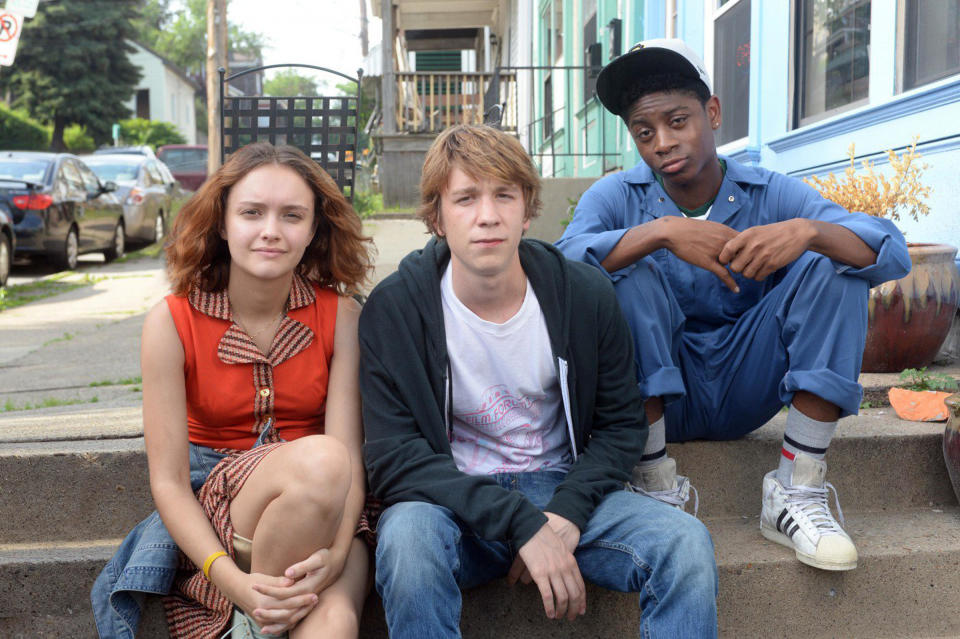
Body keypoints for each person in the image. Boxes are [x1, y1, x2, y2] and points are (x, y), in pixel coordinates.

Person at [557, 39, 911, 572]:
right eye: (644, 132)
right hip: (651, 398)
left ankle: (796, 490)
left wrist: (807, 230)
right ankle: (654, 488)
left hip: (748, 382)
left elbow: (889, 251)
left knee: (831, 259)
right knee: (623, 270)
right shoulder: (615, 197)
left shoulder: (767, 192)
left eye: (678, 121)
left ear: (713, 112)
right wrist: (659, 232)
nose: (662, 143)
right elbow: (557, 271)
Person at [359, 124, 718, 638]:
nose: (487, 216)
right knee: (407, 543)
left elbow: (620, 427)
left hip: (562, 486)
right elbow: (393, 459)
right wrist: (520, 523)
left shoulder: (584, 294)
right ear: (436, 217)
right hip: (453, 503)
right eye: (465, 199)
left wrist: (566, 514)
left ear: (527, 209)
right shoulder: (396, 309)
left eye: (504, 195)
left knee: (685, 544)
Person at [91, 142, 375, 639]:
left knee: (334, 622)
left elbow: (351, 461)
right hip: (221, 516)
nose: (270, 230)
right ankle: (248, 615)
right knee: (321, 461)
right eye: (251, 212)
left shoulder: (341, 316)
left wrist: (333, 557)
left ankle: (255, 627)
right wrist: (231, 581)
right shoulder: (173, 321)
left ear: (313, 230)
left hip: (333, 513)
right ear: (222, 223)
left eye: (292, 215)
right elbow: (171, 483)